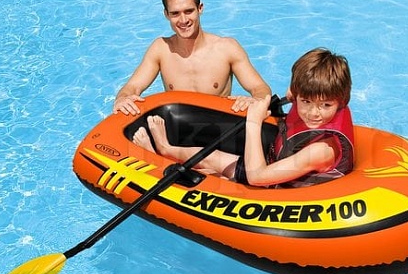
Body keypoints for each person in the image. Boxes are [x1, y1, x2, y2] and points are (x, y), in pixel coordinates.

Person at [132, 48, 355, 188]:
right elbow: (293, 93)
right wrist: (262, 101)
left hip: (276, 187)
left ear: (341, 101)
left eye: (326, 105)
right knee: (212, 158)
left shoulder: (322, 151)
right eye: (305, 102)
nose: (314, 113)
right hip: (277, 164)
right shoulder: (305, 95)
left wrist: (254, 122)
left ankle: (162, 151)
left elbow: (256, 177)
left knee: (214, 167)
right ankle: (171, 151)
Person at [113, 0, 271, 115]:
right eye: (175, 13)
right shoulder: (161, 49)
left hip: (220, 128)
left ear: (200, 9)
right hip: (178, 128)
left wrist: (256, 99)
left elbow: (260, 88)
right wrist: (122, 98)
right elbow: (132, 87)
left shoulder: (226, 48)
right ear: (166, 14)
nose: (183, 20)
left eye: (188, 11)